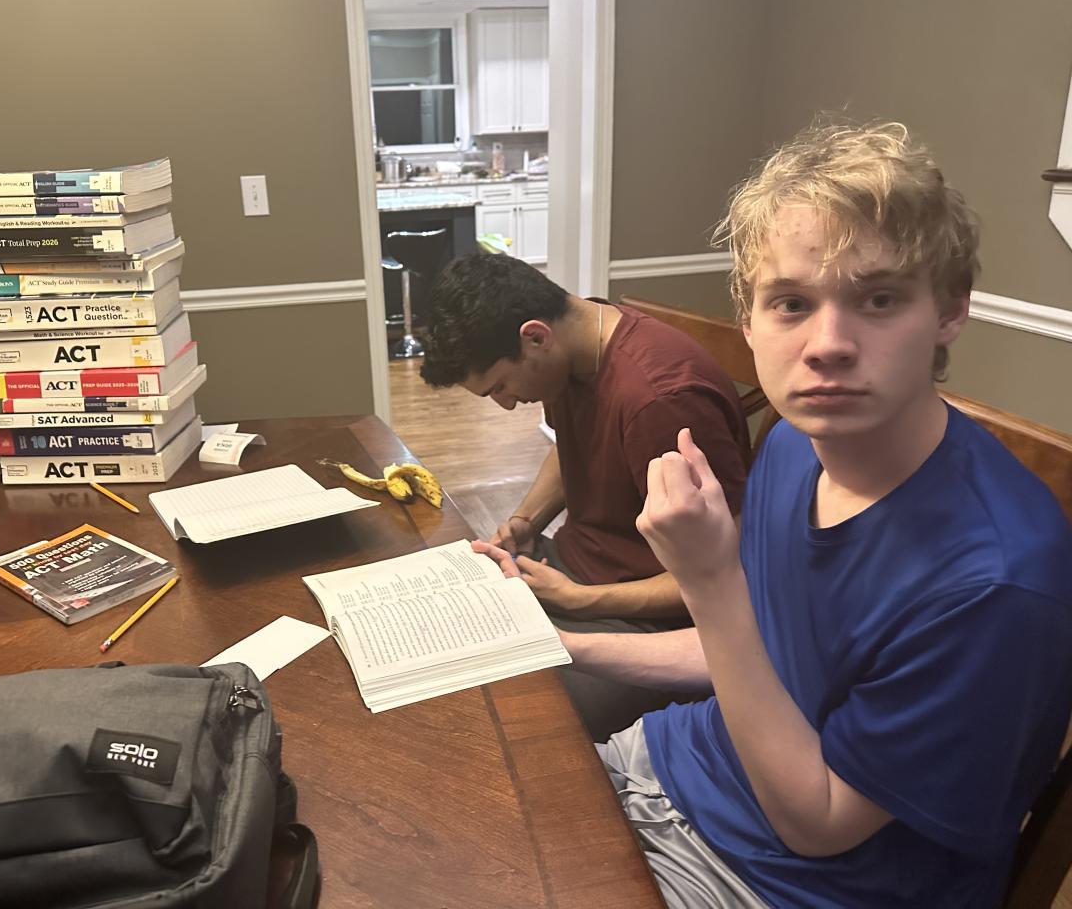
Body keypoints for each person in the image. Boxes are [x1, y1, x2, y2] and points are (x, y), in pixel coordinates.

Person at [547, 120, 1072, 908]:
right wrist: (564, 647)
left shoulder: (996, 584)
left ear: (950, 311)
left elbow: (819, 825)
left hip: (782, 880)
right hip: (673, 765)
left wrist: (709, 580)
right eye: (791, 303)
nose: (828, 344)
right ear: (749, 322)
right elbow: (760, 655)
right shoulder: (795, 445)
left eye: (879, 299)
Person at [419, 253, 752, 736]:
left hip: (656, 619)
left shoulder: (661, 401)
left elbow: (730, 568)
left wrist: (581, 600)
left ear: (535, 337)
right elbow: (572, 444)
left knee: (499, 723)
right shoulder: (576, 347)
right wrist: (527, 519)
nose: (506, 404)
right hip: (574, 571)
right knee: (433, 645)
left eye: (500, 386)